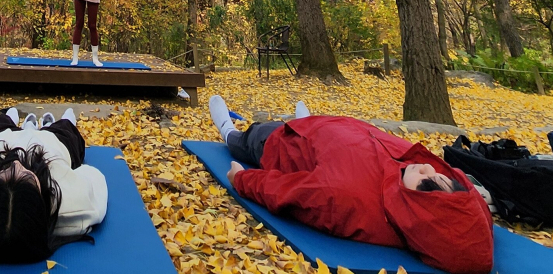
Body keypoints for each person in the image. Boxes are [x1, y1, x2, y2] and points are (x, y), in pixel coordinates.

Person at [209, 95, 493, 274]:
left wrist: (242, 178)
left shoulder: (347, 198)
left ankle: (227, 129)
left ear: (414, 209)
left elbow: (286, 191)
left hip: (288, 143)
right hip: (337, 129)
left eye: (426, 180)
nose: (427, 167)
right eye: (440, 176)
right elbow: (469, 221)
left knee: (251, 135)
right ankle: (308, 118)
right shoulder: (412, 176)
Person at [0, 106, 107, 263]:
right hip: (53, 141)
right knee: (66, 128)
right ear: (42, 199)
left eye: (3, 176)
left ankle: (12, 114)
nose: (16, 165)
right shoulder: (77, 205)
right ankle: (60, 121)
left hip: (1, 138)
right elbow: (94, 175)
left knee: (0, 123)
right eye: (26, 178)